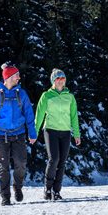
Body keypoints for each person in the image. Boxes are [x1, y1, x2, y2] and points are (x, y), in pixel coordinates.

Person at [0, 62, 37, 206]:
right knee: (3, 167)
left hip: (19, 134)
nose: (19, 77)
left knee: (21, 164)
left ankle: (17, 187)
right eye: (16, 75)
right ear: (9, 76)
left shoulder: (21, 94)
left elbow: (29, 114)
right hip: (1, 135)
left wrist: (32, 132)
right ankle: (5, 196)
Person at [35, 68, 81, 200]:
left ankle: (56, 191)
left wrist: (77, 134)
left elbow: (74, 117)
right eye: (58, 79)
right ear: (53, 81)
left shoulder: (70, 97)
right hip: (50, 130)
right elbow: (39, 115)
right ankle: (47, 188)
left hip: (65, 132)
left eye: (63, 78)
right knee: (53, 159)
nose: (61, 81)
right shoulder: (47, 96)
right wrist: (34, 132)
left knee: (62, 162)